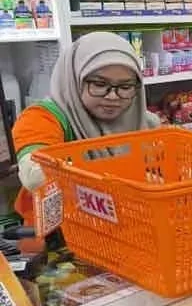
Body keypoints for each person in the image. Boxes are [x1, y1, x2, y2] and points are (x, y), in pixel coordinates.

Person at [11, 31, 159, 225]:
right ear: (74, 78)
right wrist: (119, 173)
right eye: (99, 84)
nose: (113, 97)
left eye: (125, 87)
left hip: (126, 226)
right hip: (56, 233)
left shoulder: (143, 120)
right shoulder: (41, 118)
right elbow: (35, 175)